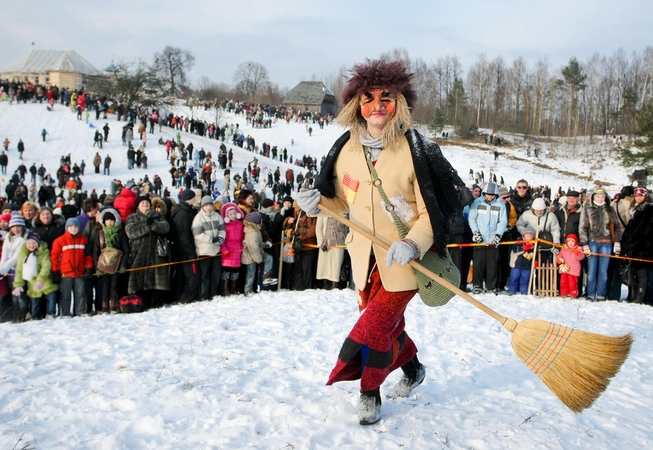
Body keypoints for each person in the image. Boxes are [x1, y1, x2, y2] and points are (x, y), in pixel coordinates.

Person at [302, 59, 463, 425]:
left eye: (387, 97)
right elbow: (344, 204)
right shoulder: (346, 149)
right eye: (368, 97)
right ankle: (413, 369)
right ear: (355, 103)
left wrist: (414, 245)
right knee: (389, 327)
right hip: (365, 261)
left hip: (406, 262)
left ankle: (369, 393)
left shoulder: (416, 150)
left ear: (400, 102)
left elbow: (429, 214)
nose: (377, 105)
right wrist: (319, 205)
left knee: (372, 328)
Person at [578, 186, 624, 301]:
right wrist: (584, 244)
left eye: (602, 197)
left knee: (603, 271)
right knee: (592, 270)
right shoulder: (587, 208)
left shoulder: (610, 209)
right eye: (598, 196)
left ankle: (601, 294)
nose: (600, 199)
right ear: (594, 197)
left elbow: (617, 226)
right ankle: (590, 293)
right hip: (592, 241)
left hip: (606, 243)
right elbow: (582, 227)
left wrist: (617, 242)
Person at [125, 196, 171, 309]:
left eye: (147, 202)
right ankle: (141, 302)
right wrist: (148, 226)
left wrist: (154, 224)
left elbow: (165, 227)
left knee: (157, 279)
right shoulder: (132, 218)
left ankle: (156, 302)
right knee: (139, 279)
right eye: (142, 203)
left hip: (156, 252)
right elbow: (131, 232)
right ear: (138, 206)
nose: (145, 204)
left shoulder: (157, 215)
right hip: (138, 253)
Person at [468, 182, 507, 294]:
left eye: (492, 194)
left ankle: (491, 286)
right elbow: (472, 218)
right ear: (484, 193)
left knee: (492, 264)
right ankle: (477, 285)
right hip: (480, 239)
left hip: (492, 239)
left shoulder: (500, 205)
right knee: (478, 263)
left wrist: (498, 235)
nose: (490, 196)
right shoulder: (477, 203)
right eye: (488, 194)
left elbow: (502, 221)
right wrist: (475, 233)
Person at [50, 217, 93, 317]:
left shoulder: (84, 240)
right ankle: (65, 312)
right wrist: (55, 271)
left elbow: (88, 257)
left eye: (75, 226)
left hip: (80, 272)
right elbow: (55, 257)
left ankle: (80, 311)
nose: (73, 229)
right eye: (71, 227)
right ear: (66, 228)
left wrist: (88, 269)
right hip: (66, 272)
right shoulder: (59, 241)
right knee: (65, 294)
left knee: (80, 293)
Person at [12, 231, 58, 320]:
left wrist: (41, 279)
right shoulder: (23, 253)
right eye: (29, 243)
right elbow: (19, 268)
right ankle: (35, 315)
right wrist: (18, 284)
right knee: (35, 299)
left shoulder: (44, 251)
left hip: (46, 279)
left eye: (34, 243)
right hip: (32, 282)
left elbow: (46, 266)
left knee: (51, 295)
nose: (31, 245)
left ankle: (50, 313)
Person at [621, 187, 653, 304]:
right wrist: (625, 240)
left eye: (641, 195)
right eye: (637, 195)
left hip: (645, 248)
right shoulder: (636, 209)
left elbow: (643, 229)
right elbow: (631, 228)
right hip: (638, 247)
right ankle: (638, 296)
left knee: (643, 274)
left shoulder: (648, 209)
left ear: (646, 196)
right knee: (638, 273)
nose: (638, 197)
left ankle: (643, 298)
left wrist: (631, 242)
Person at [191, 196, 226, 300]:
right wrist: (211, 239)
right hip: (204, 251)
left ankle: (213, 293)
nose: (208, 208)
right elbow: (197, 234)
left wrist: (220, 238)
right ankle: (203, 295)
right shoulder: (199, 217)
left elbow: (222, 228)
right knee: (204, 275)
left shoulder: (217, 216)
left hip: (215, 251)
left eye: (210, 205)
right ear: (203, 206)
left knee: (215, 274)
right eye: (206, 206)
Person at [220, 202, 244, 296]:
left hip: (237, 250)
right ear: (226, 216)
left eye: (234, 213)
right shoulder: (225, 226)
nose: (233, 216)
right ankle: (225, 289)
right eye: (230, 214)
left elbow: (242, 236)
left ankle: (233, 288)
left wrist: (242, 246)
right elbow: (222, 240)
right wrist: (224, 250)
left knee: (235, 271)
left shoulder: (240, 224)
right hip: (228, 251)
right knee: (226, 271)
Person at [507, 226, 535, 295]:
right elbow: (516, 251)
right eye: (527, 234)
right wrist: (524, 248)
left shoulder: (533, 244)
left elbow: (535, 254)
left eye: (531, 234)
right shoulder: (518, 241)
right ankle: (512, 290)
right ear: (523, 235)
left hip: (527, 266)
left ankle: (524, 291)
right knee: (514, 278)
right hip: (517, 264)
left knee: (525, 280)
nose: (529, 236)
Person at [557, 234, 585, 298]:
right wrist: (559, 259)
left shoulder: (578, 249)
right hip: (564, 269)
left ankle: (573, 294)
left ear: (576, 242)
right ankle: (564, 293)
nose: (570, 243)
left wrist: (577, 254)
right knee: (563, 282)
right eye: (569, 241)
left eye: (572, 241)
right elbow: (560, 255)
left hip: (573, 270)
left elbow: (581, 257)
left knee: (572, 283)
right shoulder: (564, 248)